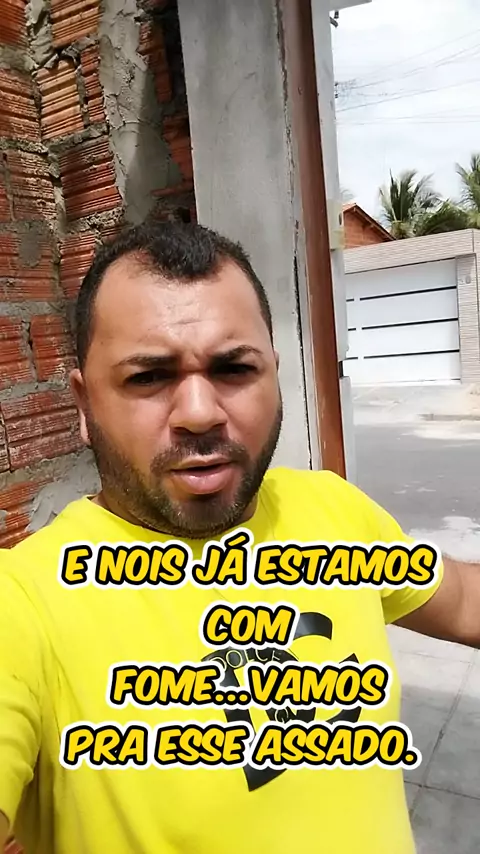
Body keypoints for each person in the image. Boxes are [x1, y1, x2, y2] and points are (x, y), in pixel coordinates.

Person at [0, 221, 477, 854]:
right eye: (148, 377)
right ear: (84, 405)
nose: (200, 412)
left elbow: (464, 602)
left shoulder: (334, 510)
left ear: (275, 375)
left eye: (233, 368)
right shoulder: (24, 603)